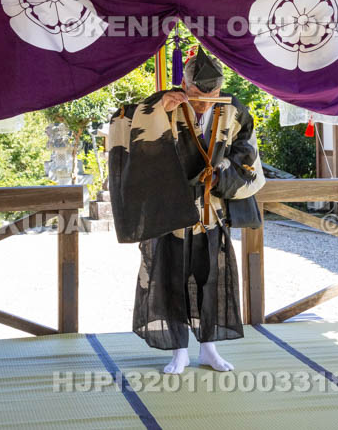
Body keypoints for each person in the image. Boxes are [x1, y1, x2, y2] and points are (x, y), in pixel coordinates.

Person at [108, 48, 265, 375]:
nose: (204, 103)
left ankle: (209, 349)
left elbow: (247, 157)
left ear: (220, 89)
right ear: (184, 84)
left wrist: (220, 176)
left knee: (211, 280)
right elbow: (123, 122)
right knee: (170, 281)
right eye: (196, 94)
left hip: (211, 210)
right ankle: (179, 350)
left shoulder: (234, 110)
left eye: (212, 94)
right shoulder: (166, 104)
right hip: (170, 211)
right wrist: (157, 110)